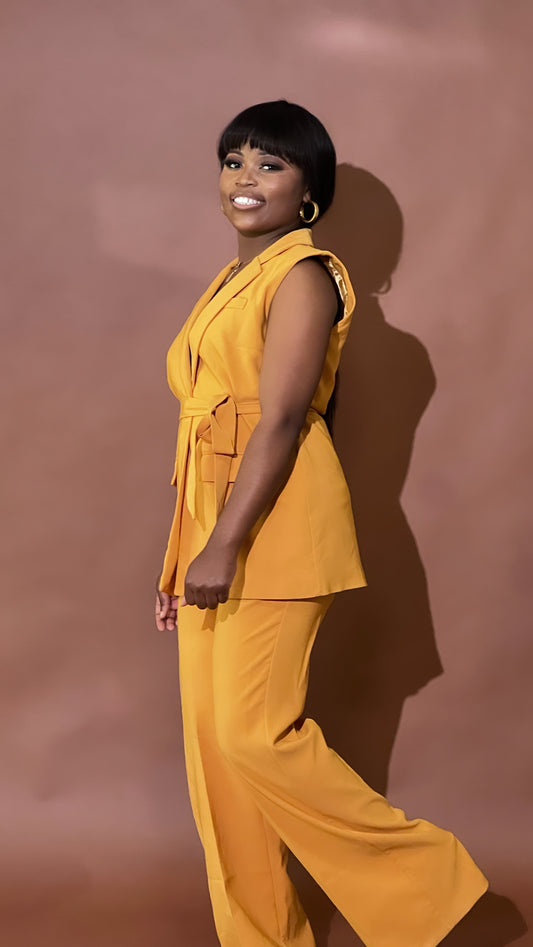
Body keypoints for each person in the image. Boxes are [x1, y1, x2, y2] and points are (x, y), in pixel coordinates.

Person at [154, 100, 488, 947]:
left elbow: (276, 420)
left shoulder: (304, 274)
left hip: (274, 528)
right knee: (215, 755)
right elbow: (204, 433)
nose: (244, 178)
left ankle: (439, 893)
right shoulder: (229, 281)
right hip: (213, 524)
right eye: (234, 159)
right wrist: (181, 553)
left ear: (308, 191)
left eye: (270, 163)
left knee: (253, 737)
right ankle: (262, 938)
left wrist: (222, 543)